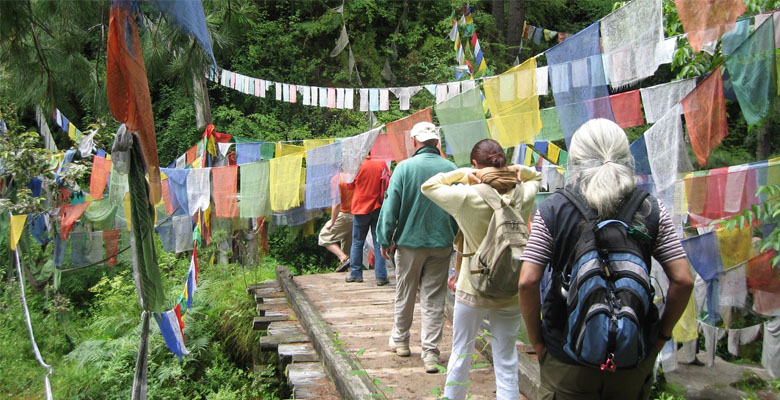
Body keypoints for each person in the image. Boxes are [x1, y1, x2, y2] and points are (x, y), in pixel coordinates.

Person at [517, 119, 694, 400]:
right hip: (631, 355)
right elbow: (683, 279)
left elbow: (527, 282)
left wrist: (538, 341)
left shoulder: (552, 209)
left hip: (565, 356)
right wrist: (660, 338)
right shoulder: (651, 208)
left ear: (575, 159)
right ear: (626, 157)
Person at [421, 139, 541, 400]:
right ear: (504, 163)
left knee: (461, 353)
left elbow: (429, 186)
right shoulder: (523, 194)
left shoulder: (465, 197)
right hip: (510, 285)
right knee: (507, 358)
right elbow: (537, 176)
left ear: (476, 164)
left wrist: (464, 174)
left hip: (472, 286)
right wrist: (516, 170)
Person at [376, 121, 459, 373]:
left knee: (405, 291)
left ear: (414, 142)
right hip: (441, 242)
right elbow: (459, 208)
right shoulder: (451, 169)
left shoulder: (404, 168)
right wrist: (452, 236)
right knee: (434, 297)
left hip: (409, 243)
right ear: (437, 142)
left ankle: (401, 341)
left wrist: (385, 238)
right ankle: (431, 354)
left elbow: (390, 208)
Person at [345, 153, 389, 285]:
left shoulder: (357, 165)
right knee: (378, 241)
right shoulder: (381, 162)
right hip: (378, 206)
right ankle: (381, 276)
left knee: (358, 241)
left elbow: (349, 185)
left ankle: (356, 274)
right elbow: (387, 181)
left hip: (361, 208)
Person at [317, 173, 354, 271]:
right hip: (359, 215)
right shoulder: (357, 175)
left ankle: (343, 258)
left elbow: (337, 203)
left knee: (324, 236)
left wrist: (332, 221)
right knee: (347, 244)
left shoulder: (337, 178)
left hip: (345, 214)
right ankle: (352, 272)